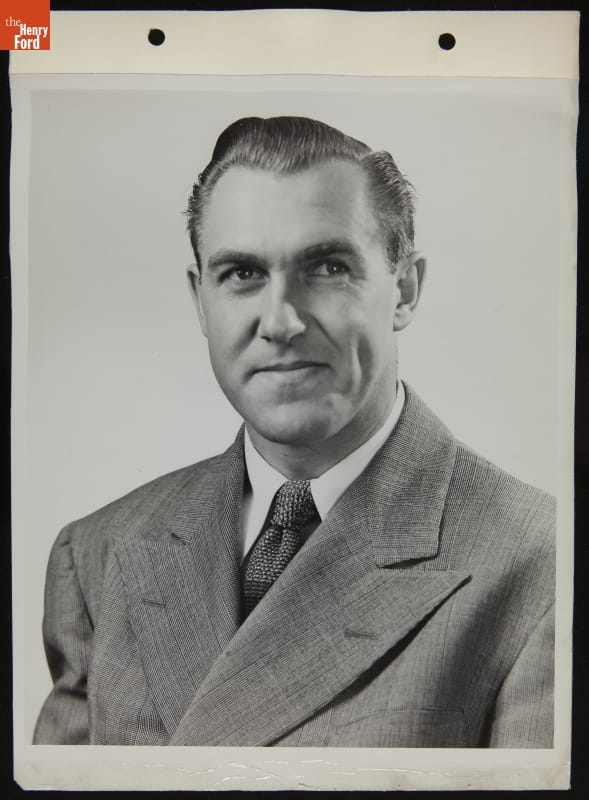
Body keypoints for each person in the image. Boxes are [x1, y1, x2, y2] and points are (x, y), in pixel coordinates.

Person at [34, 116, 554, 748]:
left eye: (328, 266)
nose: (279, 321)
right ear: (202, 301)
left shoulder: (540, 562)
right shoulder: (98, 554)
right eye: (242, 274)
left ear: (405, 290)